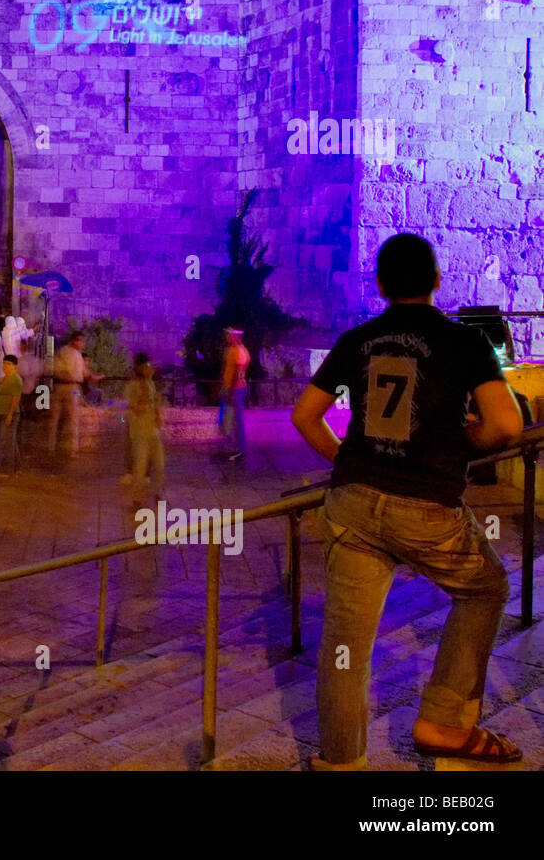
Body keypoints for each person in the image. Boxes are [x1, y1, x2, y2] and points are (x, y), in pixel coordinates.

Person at [291, 233, 524, 770]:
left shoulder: (357, 340)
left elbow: (305, 416)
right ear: (437, 281)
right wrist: (465, 442)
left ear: (380, 285)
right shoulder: (464, 342)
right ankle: (443, 721)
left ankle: (342, 762)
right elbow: (507, 424)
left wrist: (347, 466)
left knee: (345, 644)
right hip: (426, 504)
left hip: (352, 502)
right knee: (485, 589)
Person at [120, 352, 164, 495]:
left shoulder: (150, 384)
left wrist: (157, 414)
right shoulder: (134, 386)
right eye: (147, 366)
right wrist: (150, 405)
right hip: (140, 432)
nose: (150, 369)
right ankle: (137, 499)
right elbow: (134, 408)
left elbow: (155, 404)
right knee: (140, 465)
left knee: (159, 463)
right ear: (140, 368)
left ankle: (157, 492)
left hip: (153, 431)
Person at [50, 331, 101, 455]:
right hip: (64, 386)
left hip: (73, 388)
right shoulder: (64, 352)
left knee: (72, 419)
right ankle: (53, 448)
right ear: (75, 340)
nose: (83, 344)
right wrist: (66, 375)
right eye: (81, 341)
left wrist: (93, 377)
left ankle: (70, 449)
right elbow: (58, 369)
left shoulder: (77, 355)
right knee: (57, 419)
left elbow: (83, 372)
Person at [220, 327, 250, 461]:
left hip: (236, 389)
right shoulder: (237, 350)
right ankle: (235, 446)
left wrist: (230, 390)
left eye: (229, 335)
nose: (227, 337)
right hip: (234, 388)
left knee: (236, 420)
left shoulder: (238, 351)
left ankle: (240, 449)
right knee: (229, 418)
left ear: (235, 337)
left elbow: (237, 374)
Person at [0, 353, 23, 478]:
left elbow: (15, 398)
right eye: (5, 363)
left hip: (9, 414)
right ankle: (16, 467)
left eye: (9, 364)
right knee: (11, 441)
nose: (6, 366)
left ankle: (6, 469)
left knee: (6, 442)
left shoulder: (16, 380)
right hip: (1, 412)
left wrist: (10, 414)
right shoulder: (4, 378)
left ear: (15, 366)